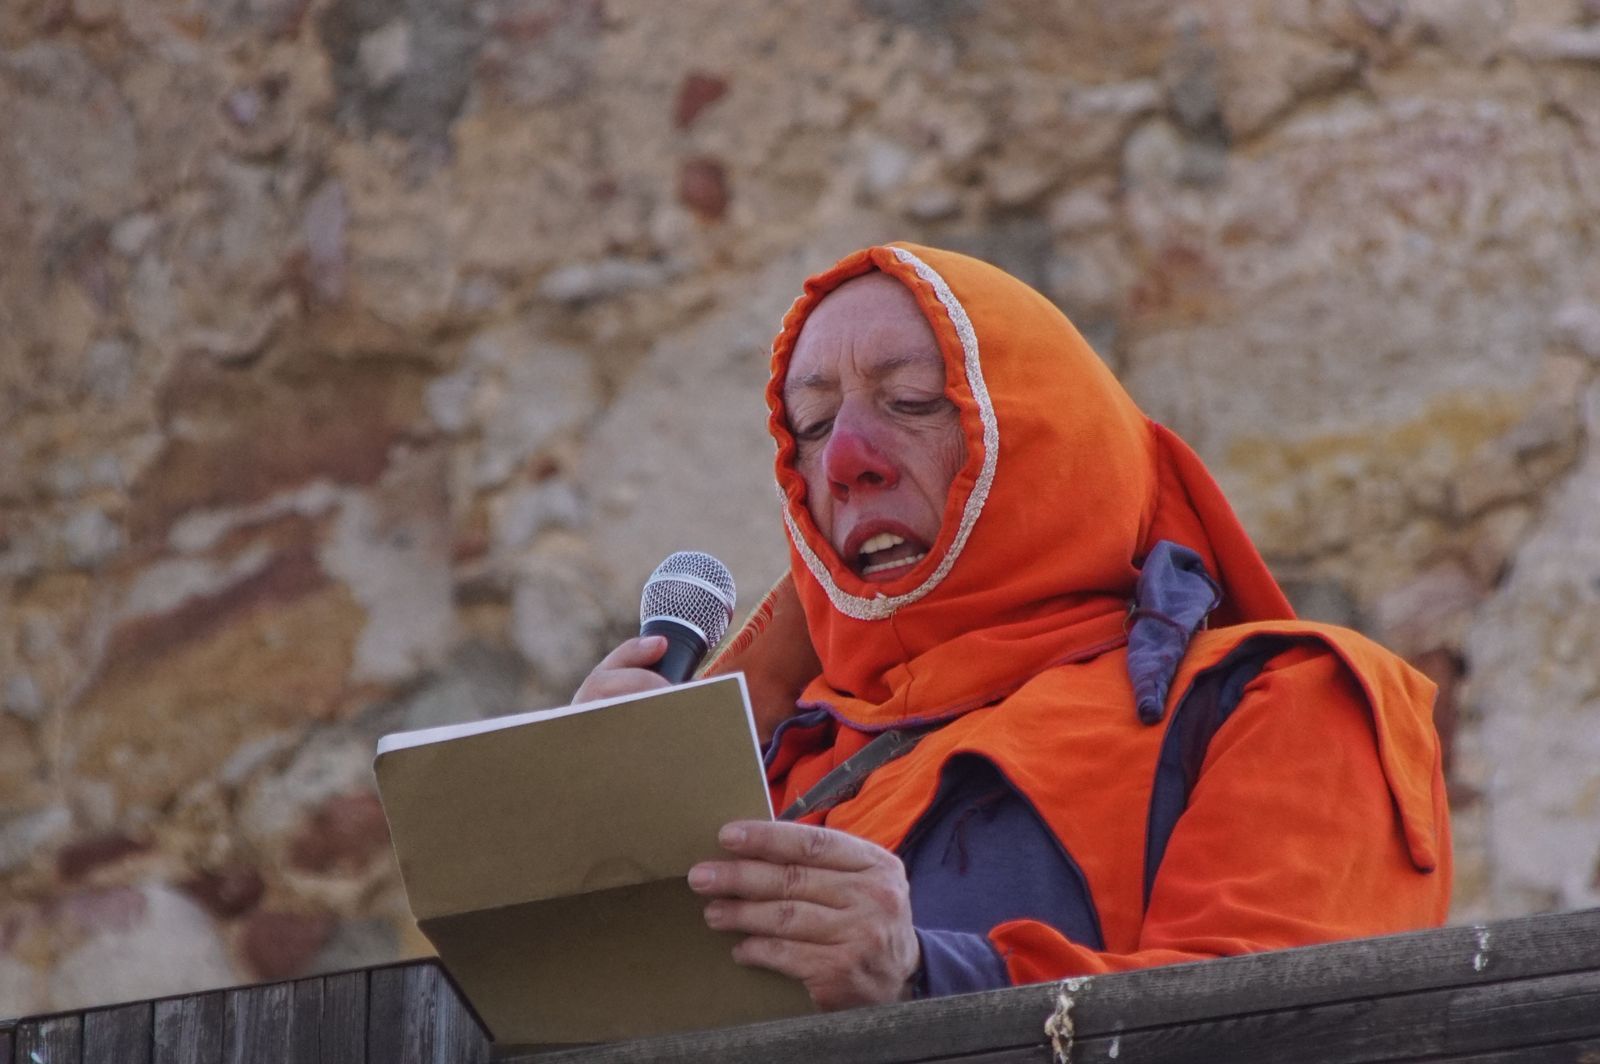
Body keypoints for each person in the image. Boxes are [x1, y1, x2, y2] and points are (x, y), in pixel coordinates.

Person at [574, 243, 1451, 1012]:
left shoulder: (1275, 701)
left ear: (1043, 437)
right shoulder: (762, 764)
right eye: (811, 425)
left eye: (912, 401)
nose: (845, 464)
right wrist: (581, 836)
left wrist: (926, 974)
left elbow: (1295, 1021)